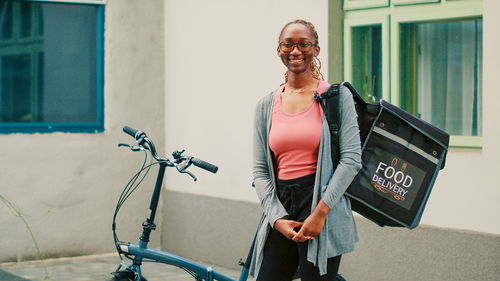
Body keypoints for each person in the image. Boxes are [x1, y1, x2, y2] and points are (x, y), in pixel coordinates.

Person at [250, 19, 362, 281]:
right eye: (288, 44)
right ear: (279, 50)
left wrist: (320, 213)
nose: (295, 51)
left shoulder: (336, 97)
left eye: (303, 44)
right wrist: (276, 219)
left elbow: (351, 160)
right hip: (281, 204)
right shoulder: (266, 105)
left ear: (316, 50)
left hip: (322, 201)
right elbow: (260, 170)